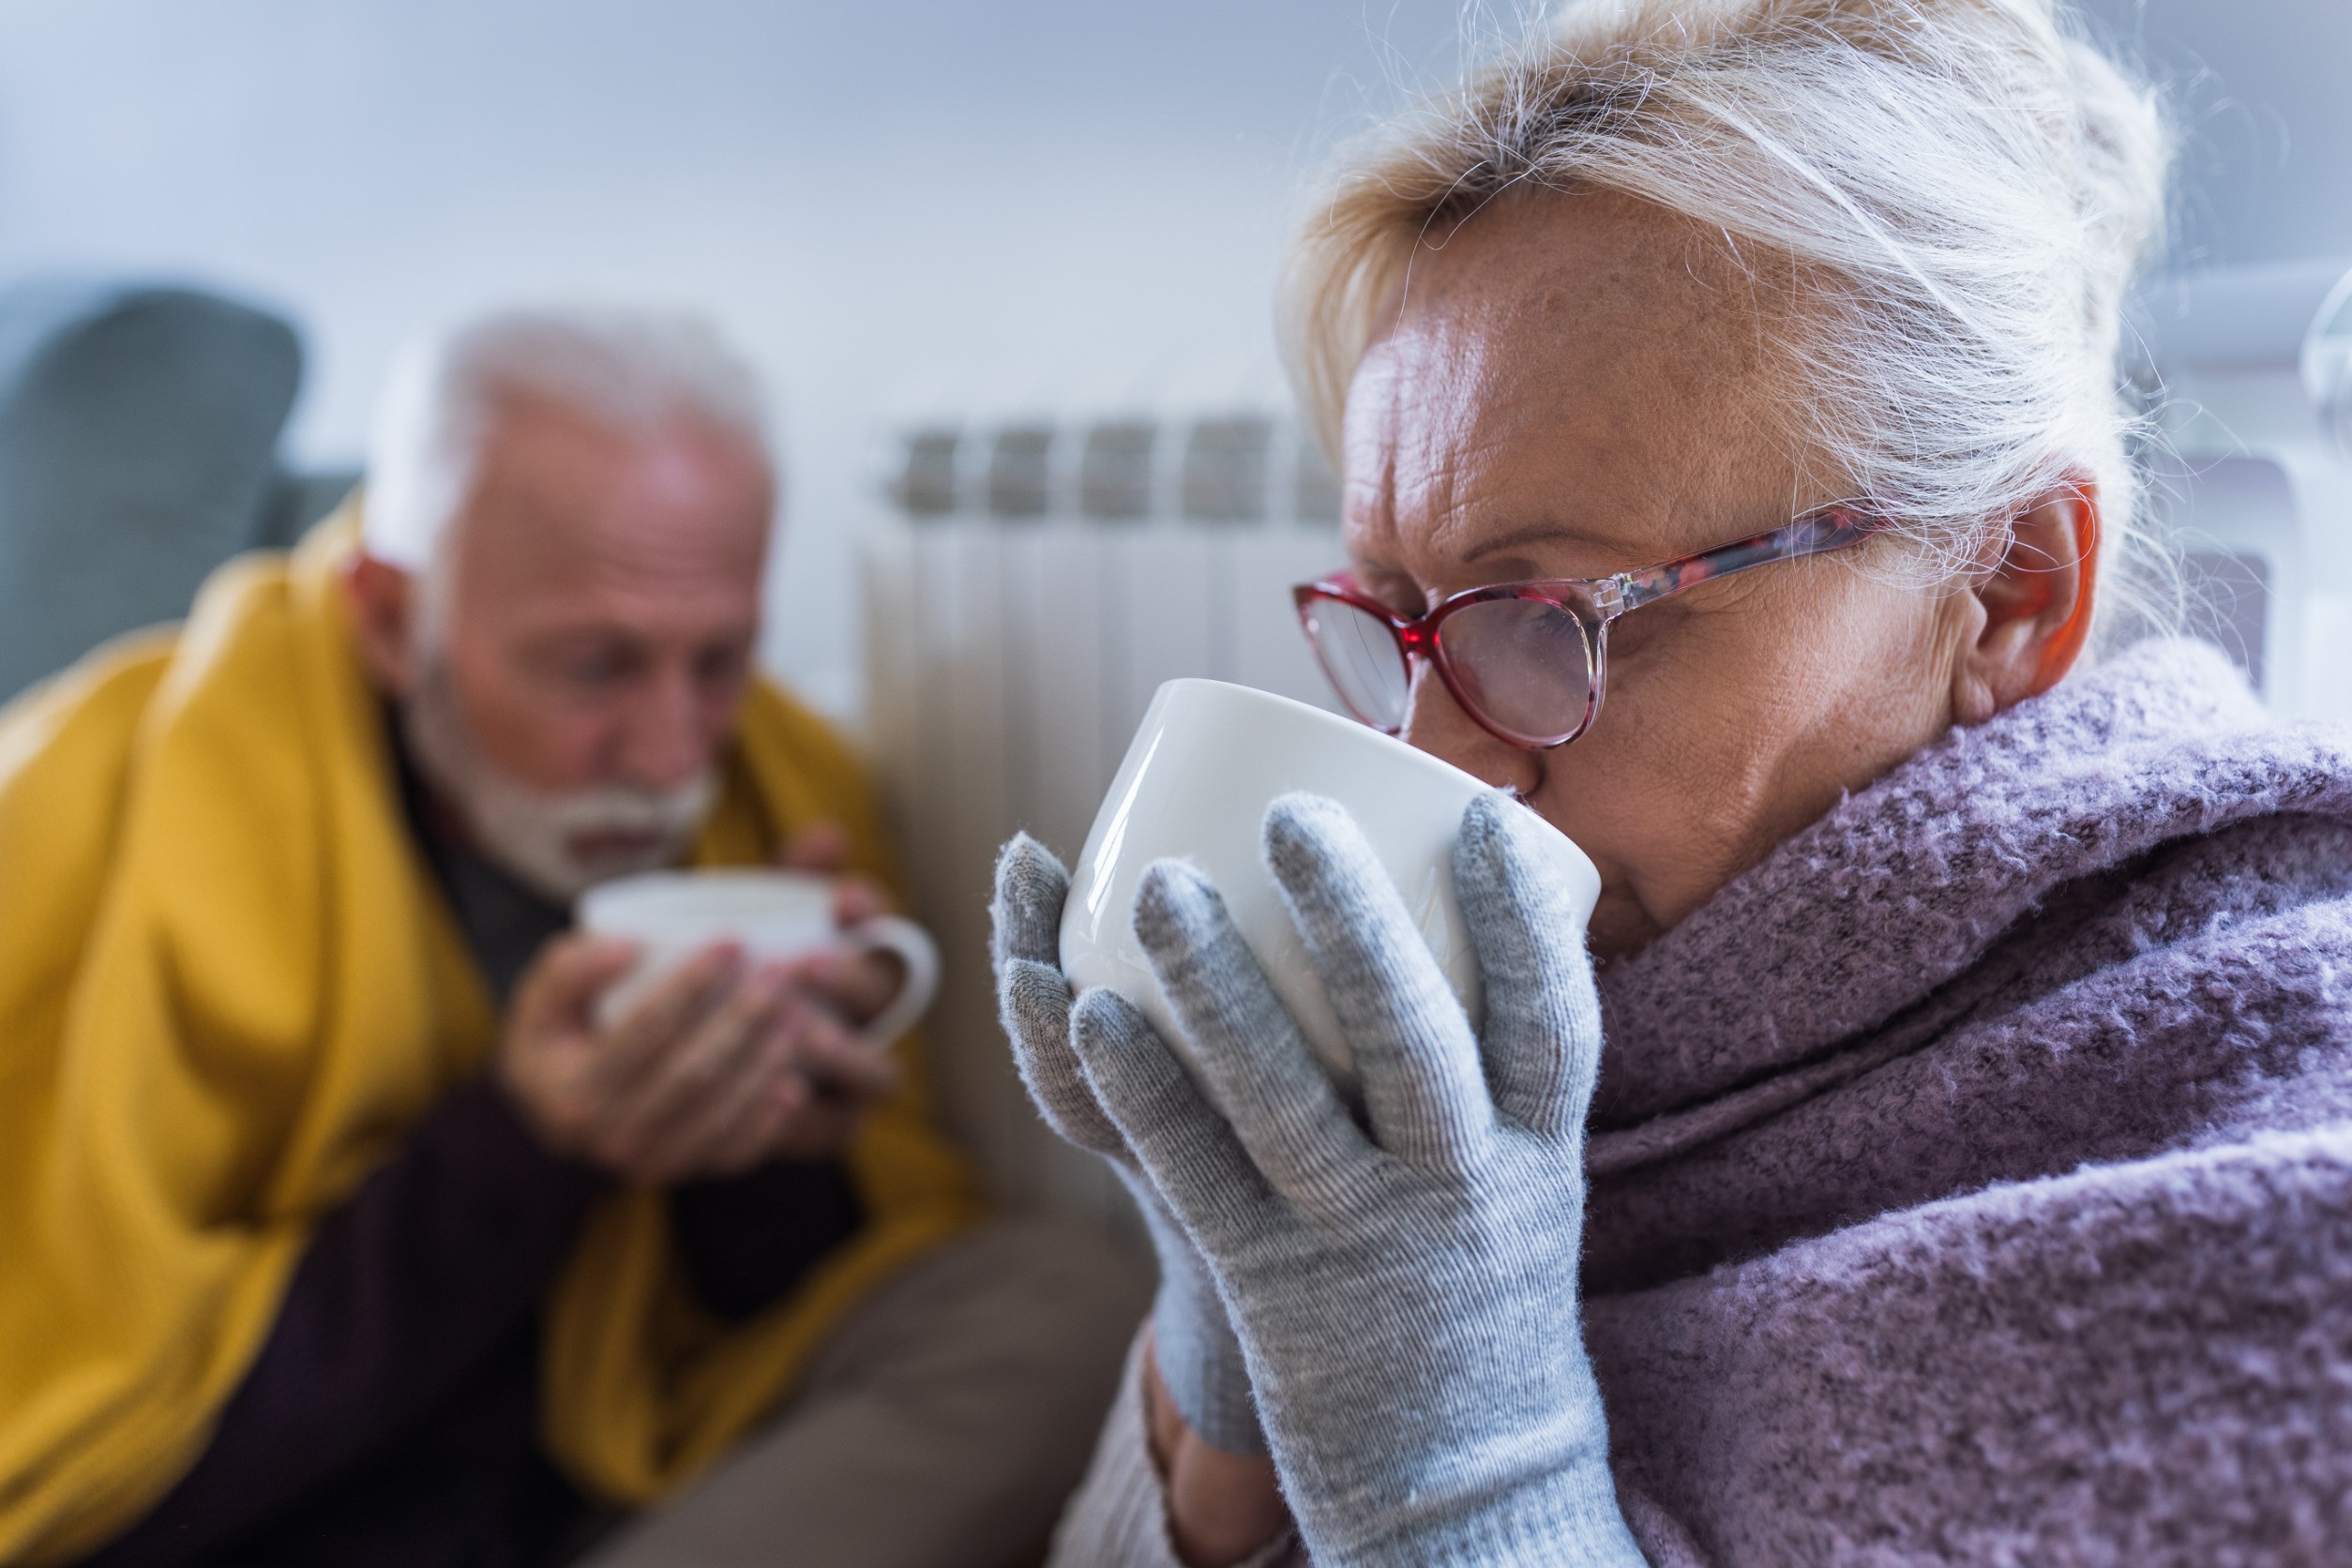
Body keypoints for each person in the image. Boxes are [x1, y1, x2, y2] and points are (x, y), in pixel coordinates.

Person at [995, 0, 2352, 1562]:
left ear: (2010, 591)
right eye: (1402, 617)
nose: (1436, 760)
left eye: (1559, 623)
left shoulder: (2264, 1173)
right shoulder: (1571, 1029)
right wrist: (1228, 1310)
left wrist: (1464, 1474)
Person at [0, 307, 1145, 1568]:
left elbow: (736, 1347)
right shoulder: (86, 814)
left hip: (608, 1497)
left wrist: (767, 1143)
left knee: (1066, 1310)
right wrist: (521, 1149)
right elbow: (105, 1467)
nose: (670, 758)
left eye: (719, 660)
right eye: (594, 667)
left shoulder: (782, 782)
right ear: (390, 621)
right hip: (274, 1514)